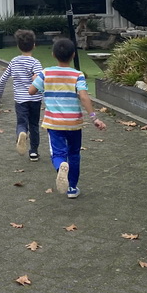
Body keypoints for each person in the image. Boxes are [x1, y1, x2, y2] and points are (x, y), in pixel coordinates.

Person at [28, 37, 106, 199]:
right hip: (74, 123)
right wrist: (94, 117)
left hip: (54, 123)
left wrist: (35, 80)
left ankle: (61, 167)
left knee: (58, 154)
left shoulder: (45, 73)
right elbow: (84, 96)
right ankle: (72, 187)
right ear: (73, 56)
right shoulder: (78, 75)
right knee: (74, 154)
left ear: (53, 54)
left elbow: (31, 91)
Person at [0, 29, 43, 161]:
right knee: (34, 125)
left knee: (22, 122)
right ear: (34, 45)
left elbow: (3, 78)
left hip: (20, 99)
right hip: (35, 99)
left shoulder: (14, 61)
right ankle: (33, 152)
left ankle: (21, 133)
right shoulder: (35, 62)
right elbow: (39, 80)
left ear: (18, 46)